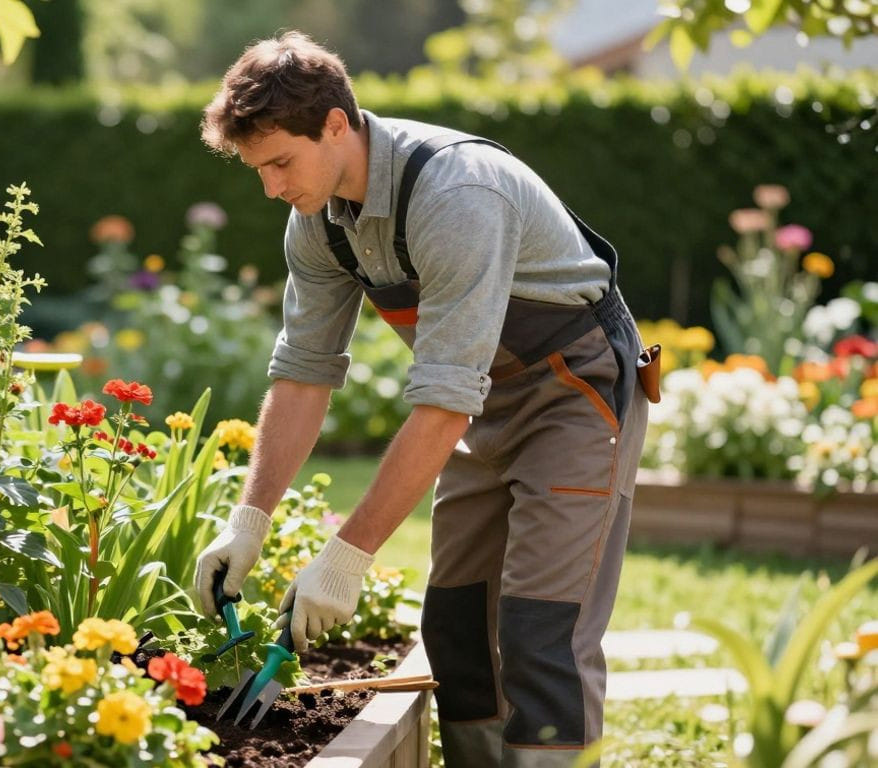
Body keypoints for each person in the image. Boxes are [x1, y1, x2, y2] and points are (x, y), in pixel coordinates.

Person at [191, 31, 656, 768]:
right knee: (457, 623)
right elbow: (305, 371)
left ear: (336, 125)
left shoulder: (456, 192)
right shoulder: (317, 219)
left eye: (280, 162)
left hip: (577, 392)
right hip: (485, 398)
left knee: (542, 627)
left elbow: (443, 406)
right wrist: (249, 521)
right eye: (258, 169)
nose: (272, 187)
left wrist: (346, 557)